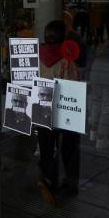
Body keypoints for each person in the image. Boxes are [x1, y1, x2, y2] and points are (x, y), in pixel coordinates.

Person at [36, 20, 81, 204]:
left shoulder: (37, 55)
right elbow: (76, 83)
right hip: (66, 110)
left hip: (42, 108)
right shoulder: (67, 59)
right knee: (69, 148)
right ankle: (69, 184)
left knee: (47, 147)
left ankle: (49, 179)